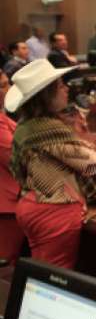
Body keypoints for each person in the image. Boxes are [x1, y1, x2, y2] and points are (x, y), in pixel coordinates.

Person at [6, 60, 96, 267]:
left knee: (40, 271)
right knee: (55, 279)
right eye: (60, 85)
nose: (66, 88)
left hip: (31, 204)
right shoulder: (49, 128)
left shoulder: (26, 125)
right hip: (54, 209)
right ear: (46, 95)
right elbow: (92, 164)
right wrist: (83, 142)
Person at [0, 70, 21, 263]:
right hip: (5, 209)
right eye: (4, 85)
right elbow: (18, 161)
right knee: (5, 270)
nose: (9, 89)